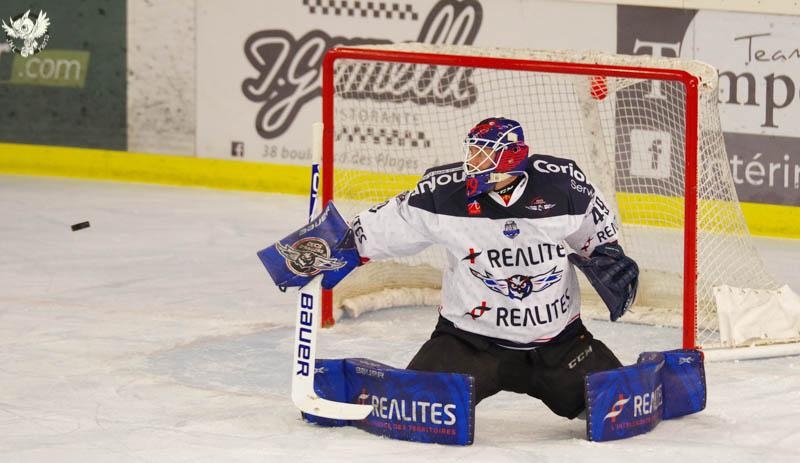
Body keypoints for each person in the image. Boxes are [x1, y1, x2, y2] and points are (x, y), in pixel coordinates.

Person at [348, 117, 639, 419]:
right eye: (472, 152)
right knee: (411, 411)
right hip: (468, 343)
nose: (472, 162)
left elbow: (599, 237)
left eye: (483, 153)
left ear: (511, 155)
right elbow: (385, 226)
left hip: (559, 347)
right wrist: (337, 245)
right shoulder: (444, 194)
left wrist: (608, 255)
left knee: (622, 411)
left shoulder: (564, 187)